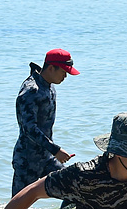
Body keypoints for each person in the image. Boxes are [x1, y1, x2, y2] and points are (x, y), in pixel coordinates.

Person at [12, 49, 78, 196]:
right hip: (27, 160)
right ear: (50, 68)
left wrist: (53, 152)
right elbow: (29, 128)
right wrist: (56, 150)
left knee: (74, 186)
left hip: (47, 158)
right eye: (63, 71)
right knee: (18, 208)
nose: (66, 76)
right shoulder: (30, 91)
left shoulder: (50, 86)